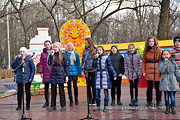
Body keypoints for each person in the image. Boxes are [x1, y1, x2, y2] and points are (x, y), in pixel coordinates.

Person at [92, 46, 117, 112]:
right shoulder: (96, 57)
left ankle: (106, 106)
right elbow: (93, 66)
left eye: (100, 50)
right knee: (97, 91)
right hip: (98, 75)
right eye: (97, 50)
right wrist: (95, 58)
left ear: (103, 50)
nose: (99, 51)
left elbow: (110, 66)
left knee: (106, 91)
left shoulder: (106, 57)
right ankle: (98, 105)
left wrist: (114, 74)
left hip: (105, 75)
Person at [141, 36, 162, 107]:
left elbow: (161, 61)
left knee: (158, 87)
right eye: (150, 41)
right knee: (149, 87)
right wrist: (143, 71)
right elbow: (143, 62)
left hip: (157, 69)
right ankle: (149, 101)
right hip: (148, 69)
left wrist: (161, 70)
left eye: (152, 41)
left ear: (155, 42)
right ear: (148, 42)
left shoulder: (159, 50)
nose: (151, 43)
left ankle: (158, 101)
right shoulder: (145, 50)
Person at [48, 42, 69, 112]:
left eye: (56, 47)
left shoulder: (63, 55)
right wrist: (51, 56)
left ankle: (63, 105)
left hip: (60, 73)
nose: (55, 48)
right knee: (53, 91)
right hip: (53, 74)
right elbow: (49, 63)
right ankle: (52, 105)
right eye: (54, 47)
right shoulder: (52, 55)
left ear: (59, 48)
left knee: (61, 91)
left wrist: (66, 76)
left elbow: (66, 66)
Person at [158, 50, 180, 114]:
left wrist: (178, 78)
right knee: (166, 95)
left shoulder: (173, 62)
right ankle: (167, 107)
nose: (166, 56)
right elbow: (161, 70)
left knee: (172, 95)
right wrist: (165, 64)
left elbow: (176, 71)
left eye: (167, 54)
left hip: (172, 79)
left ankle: (173, 107)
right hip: (165, 80)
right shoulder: (161, 62)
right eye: (164, 54)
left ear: (169, 55)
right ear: (162, 56)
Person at [81, 38, 96, 105]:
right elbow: (83, 60)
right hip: (87, 70)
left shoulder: (95, 50)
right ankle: (89, 98)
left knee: (94, 85)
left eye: (86, 43)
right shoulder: (84, 51)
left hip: (94, 70)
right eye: (85, 43)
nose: (85, 44)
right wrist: (82, 70)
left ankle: (94, 99)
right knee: (88, 85)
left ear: (90, 43)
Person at [39, 40, 53, 108]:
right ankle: (47, 101)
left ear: (51, 44)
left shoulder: (54, 52)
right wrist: (41, 72)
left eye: (48, 44)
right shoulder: (43, 54)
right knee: (46, 88)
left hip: (53, 72)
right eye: (46, 45)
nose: (47, 46)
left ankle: (53, 102)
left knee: (53, 88)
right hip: (46, 72)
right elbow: (41, 64)